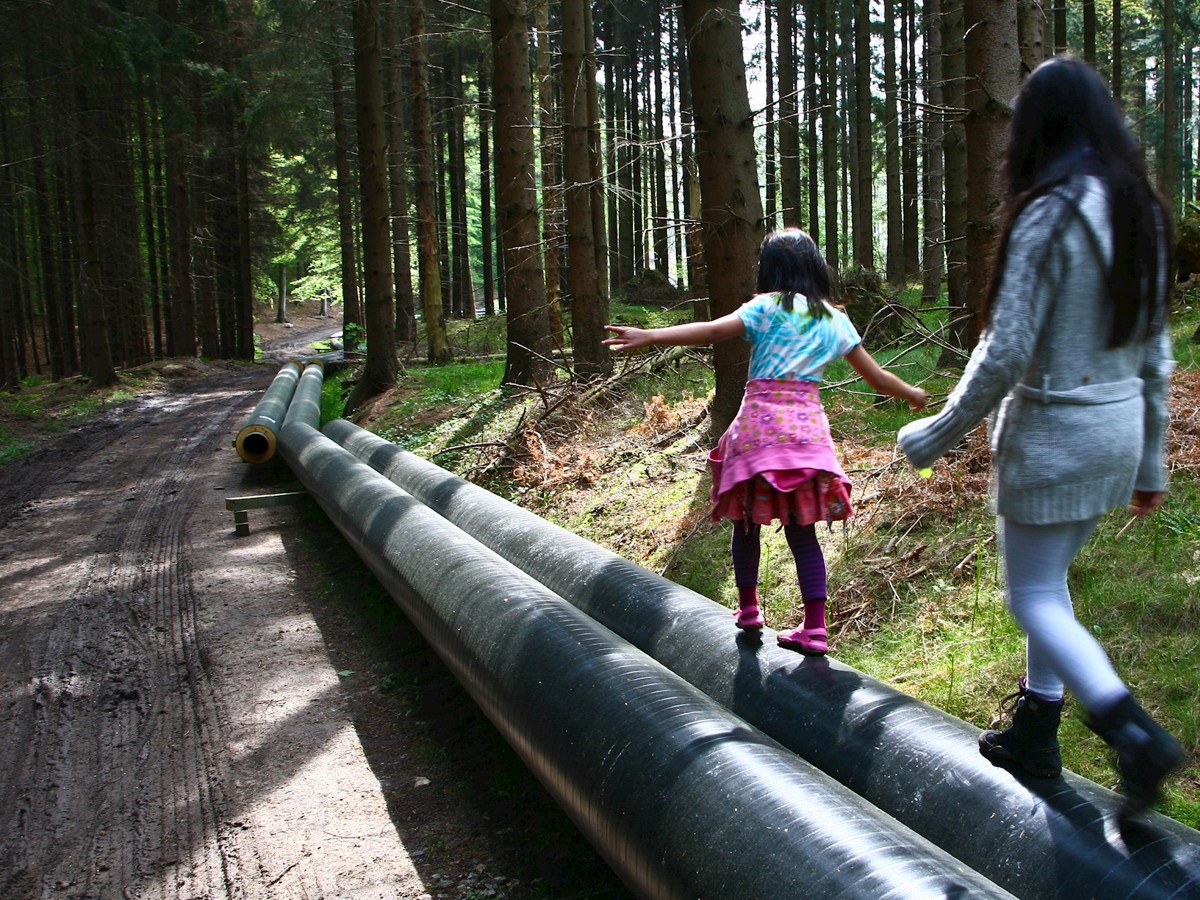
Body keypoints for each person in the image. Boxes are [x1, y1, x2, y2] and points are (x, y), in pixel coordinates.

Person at [897, 56, 1183, 819]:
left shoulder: (1048, 213)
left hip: (1055, 437)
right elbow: (1157, 355)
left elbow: (1006, 349)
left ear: (1037, 131)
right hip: (1116, 435)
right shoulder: (1143, 214)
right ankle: (1036, 730)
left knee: (1030, 596)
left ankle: (1132, 731)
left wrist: (938, 432)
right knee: (1049, 583)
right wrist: (1149, 462)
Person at [604, 229, 927, 655]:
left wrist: (650, 336)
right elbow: (878, 379)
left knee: (746, 523)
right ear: (816, 268)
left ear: (769, 269)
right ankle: (815, 628)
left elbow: (713, 331)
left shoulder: (764, 306)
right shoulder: (834, 319)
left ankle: (749, 609)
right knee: (803, 533)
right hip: (807, 438)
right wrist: (911, 393)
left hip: (757, 433)